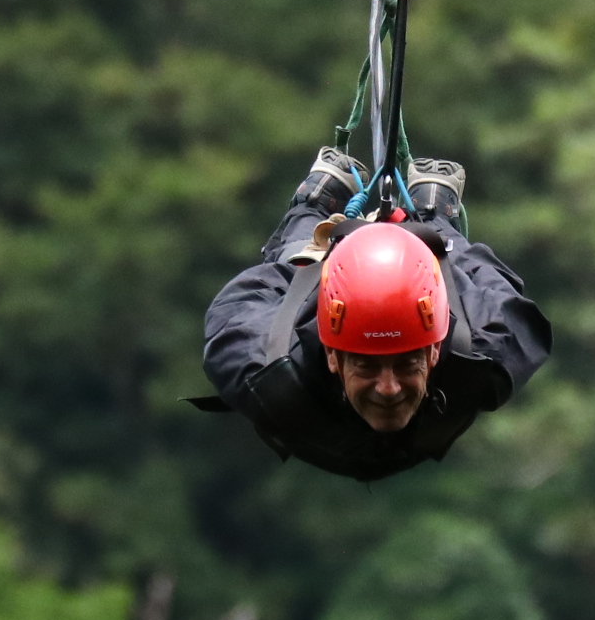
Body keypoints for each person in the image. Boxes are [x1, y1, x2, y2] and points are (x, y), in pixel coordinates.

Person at [196, 148, 551, 481]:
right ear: (334, 357)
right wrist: (434, 236)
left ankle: (320, 207)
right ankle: (410, 214)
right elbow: (499, 289)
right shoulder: (273, 375)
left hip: (426, 346)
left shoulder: (480, 360)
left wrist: (431, 244)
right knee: (297, 259)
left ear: (430, 353)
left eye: (406, 364)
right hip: (311, 340)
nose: (388, 388)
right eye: (366, 366)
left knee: (295, 256)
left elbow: (238, 306)